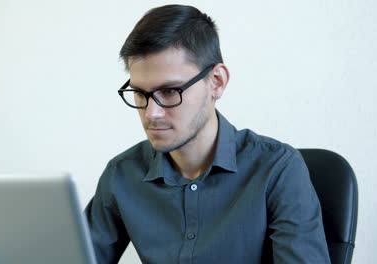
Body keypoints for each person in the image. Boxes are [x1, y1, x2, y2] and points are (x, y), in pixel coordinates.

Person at [85, 4, 330, 264]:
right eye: (140, 93)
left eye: (170, 92)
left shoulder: (278, 169)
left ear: (216, 82)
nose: (151, 113)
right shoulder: (122, 175)